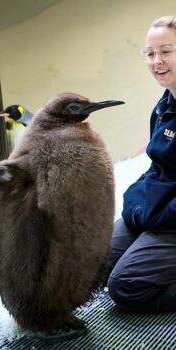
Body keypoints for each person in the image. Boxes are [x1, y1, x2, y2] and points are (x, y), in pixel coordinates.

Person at [107, 16, 176, 313]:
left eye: (166, 51)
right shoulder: (163, 107)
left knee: (126, 285)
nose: (156, 61)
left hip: (171, 217)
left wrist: (154, 216)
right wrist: (137, 203)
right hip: (162, 210)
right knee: (92, 262)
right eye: (150, 53)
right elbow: (156, 167)